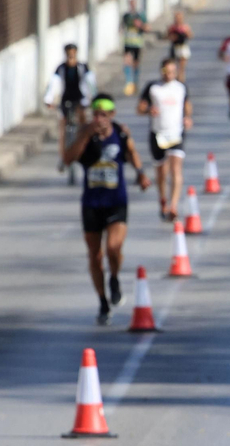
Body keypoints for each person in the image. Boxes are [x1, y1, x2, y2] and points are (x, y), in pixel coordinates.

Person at [62, 93, 151, 325]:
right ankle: (102, 301)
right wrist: (84, 136)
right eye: (96, 114)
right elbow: (68, 159)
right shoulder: (85, 134)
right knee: (95, 255)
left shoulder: (120, 133)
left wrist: (141, 174)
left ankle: (114, 277)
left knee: (113, 247)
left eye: (104, 115)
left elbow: (131, 152)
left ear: (112, 115)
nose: (99, 119)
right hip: (91, 204)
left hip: (116, 201)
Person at [136, 57, 192, 221]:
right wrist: (148, 111)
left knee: (176, 169)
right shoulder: (153, 88)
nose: (169, 75)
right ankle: (163, 200)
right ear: (162, 72)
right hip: (157, 133)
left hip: (176, 133)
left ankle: (173, 205)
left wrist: (188, 117)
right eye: (166, 72)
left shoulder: (181, 87)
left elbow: (187, 105)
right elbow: (140, 108)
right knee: (161, 172)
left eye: (172, 72)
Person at [42, 43, 96, 172]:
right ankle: (63, 158)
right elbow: (53, 84)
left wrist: (93, 97)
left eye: (73, 55)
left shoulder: (82, 67)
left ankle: (85, 152)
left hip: (80, 99)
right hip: (65, 100)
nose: (70, 58)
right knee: (63, 129)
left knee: (84, 127)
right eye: (68, 55)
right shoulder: (61, 68)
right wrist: (48, 100)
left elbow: (91, 83)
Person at [121, 0, 148, 96]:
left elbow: (147, 27)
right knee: (127, 61)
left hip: (137, 43)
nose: (132, 4)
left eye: (133, 2)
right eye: (130, 2)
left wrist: (140, 25)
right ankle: (129, 82)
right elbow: (121, 27)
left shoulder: (140, 15)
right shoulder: (126, 15)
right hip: (128, 42)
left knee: (135, 63)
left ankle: (135, 82)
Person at [166, 11, 193, 81]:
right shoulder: (172, 27)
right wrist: (172, 37)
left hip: (183, 47)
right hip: (175, 47)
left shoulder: (185, 27)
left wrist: (186, 33)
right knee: (174, 65)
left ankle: (181, 80)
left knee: (182, 67)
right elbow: (168, 36)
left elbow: (190, 36)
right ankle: (175, 78)